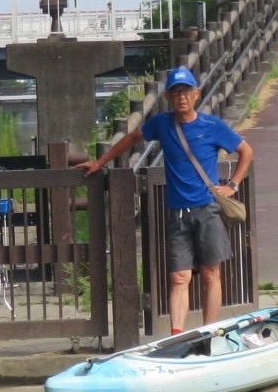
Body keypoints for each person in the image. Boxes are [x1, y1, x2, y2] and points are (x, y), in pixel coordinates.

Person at [81, 65, 253, 334]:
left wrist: (232, 184)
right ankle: (177, 334)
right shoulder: (162, 124)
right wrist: (101, 161)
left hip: (208, 208)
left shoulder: (212, 126)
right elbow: (132, 138)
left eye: (186, 91)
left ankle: (208, 332)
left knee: (210, 273)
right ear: (169, 98)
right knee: (178, 277)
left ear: (196, 94)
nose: (181, 97)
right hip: (178, 211)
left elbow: (246, 151)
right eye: (175, 92)